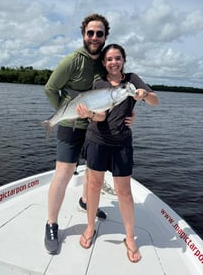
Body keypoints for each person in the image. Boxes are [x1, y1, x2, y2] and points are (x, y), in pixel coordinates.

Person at [44, 14, 135, 255]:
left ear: (106, 36)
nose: (95, 38)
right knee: (63, 173)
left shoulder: (107, 60)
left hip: (97, 128)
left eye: (100, 33)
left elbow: (121, 90)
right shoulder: (72, 60)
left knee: (90, 173)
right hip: (71, 125)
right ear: (83, 34)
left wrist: (131, 116)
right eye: (90, 33)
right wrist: (66, 113)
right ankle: (51, 224)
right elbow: (50, 88)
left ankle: (86, 202)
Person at [76, 44, 159, 263]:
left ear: (123, 60)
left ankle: (130, 237)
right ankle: (90, 227)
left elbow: (154, 100)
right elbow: (99, 117)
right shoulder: (98, 84)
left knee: (124, 192)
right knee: (93, 187)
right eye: (110, 59)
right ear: (104, 63)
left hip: (122, 143)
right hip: (96, 141)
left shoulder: (132, 80)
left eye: (118, 58)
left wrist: (144, 94)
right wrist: (91, 115)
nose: (114, 62)